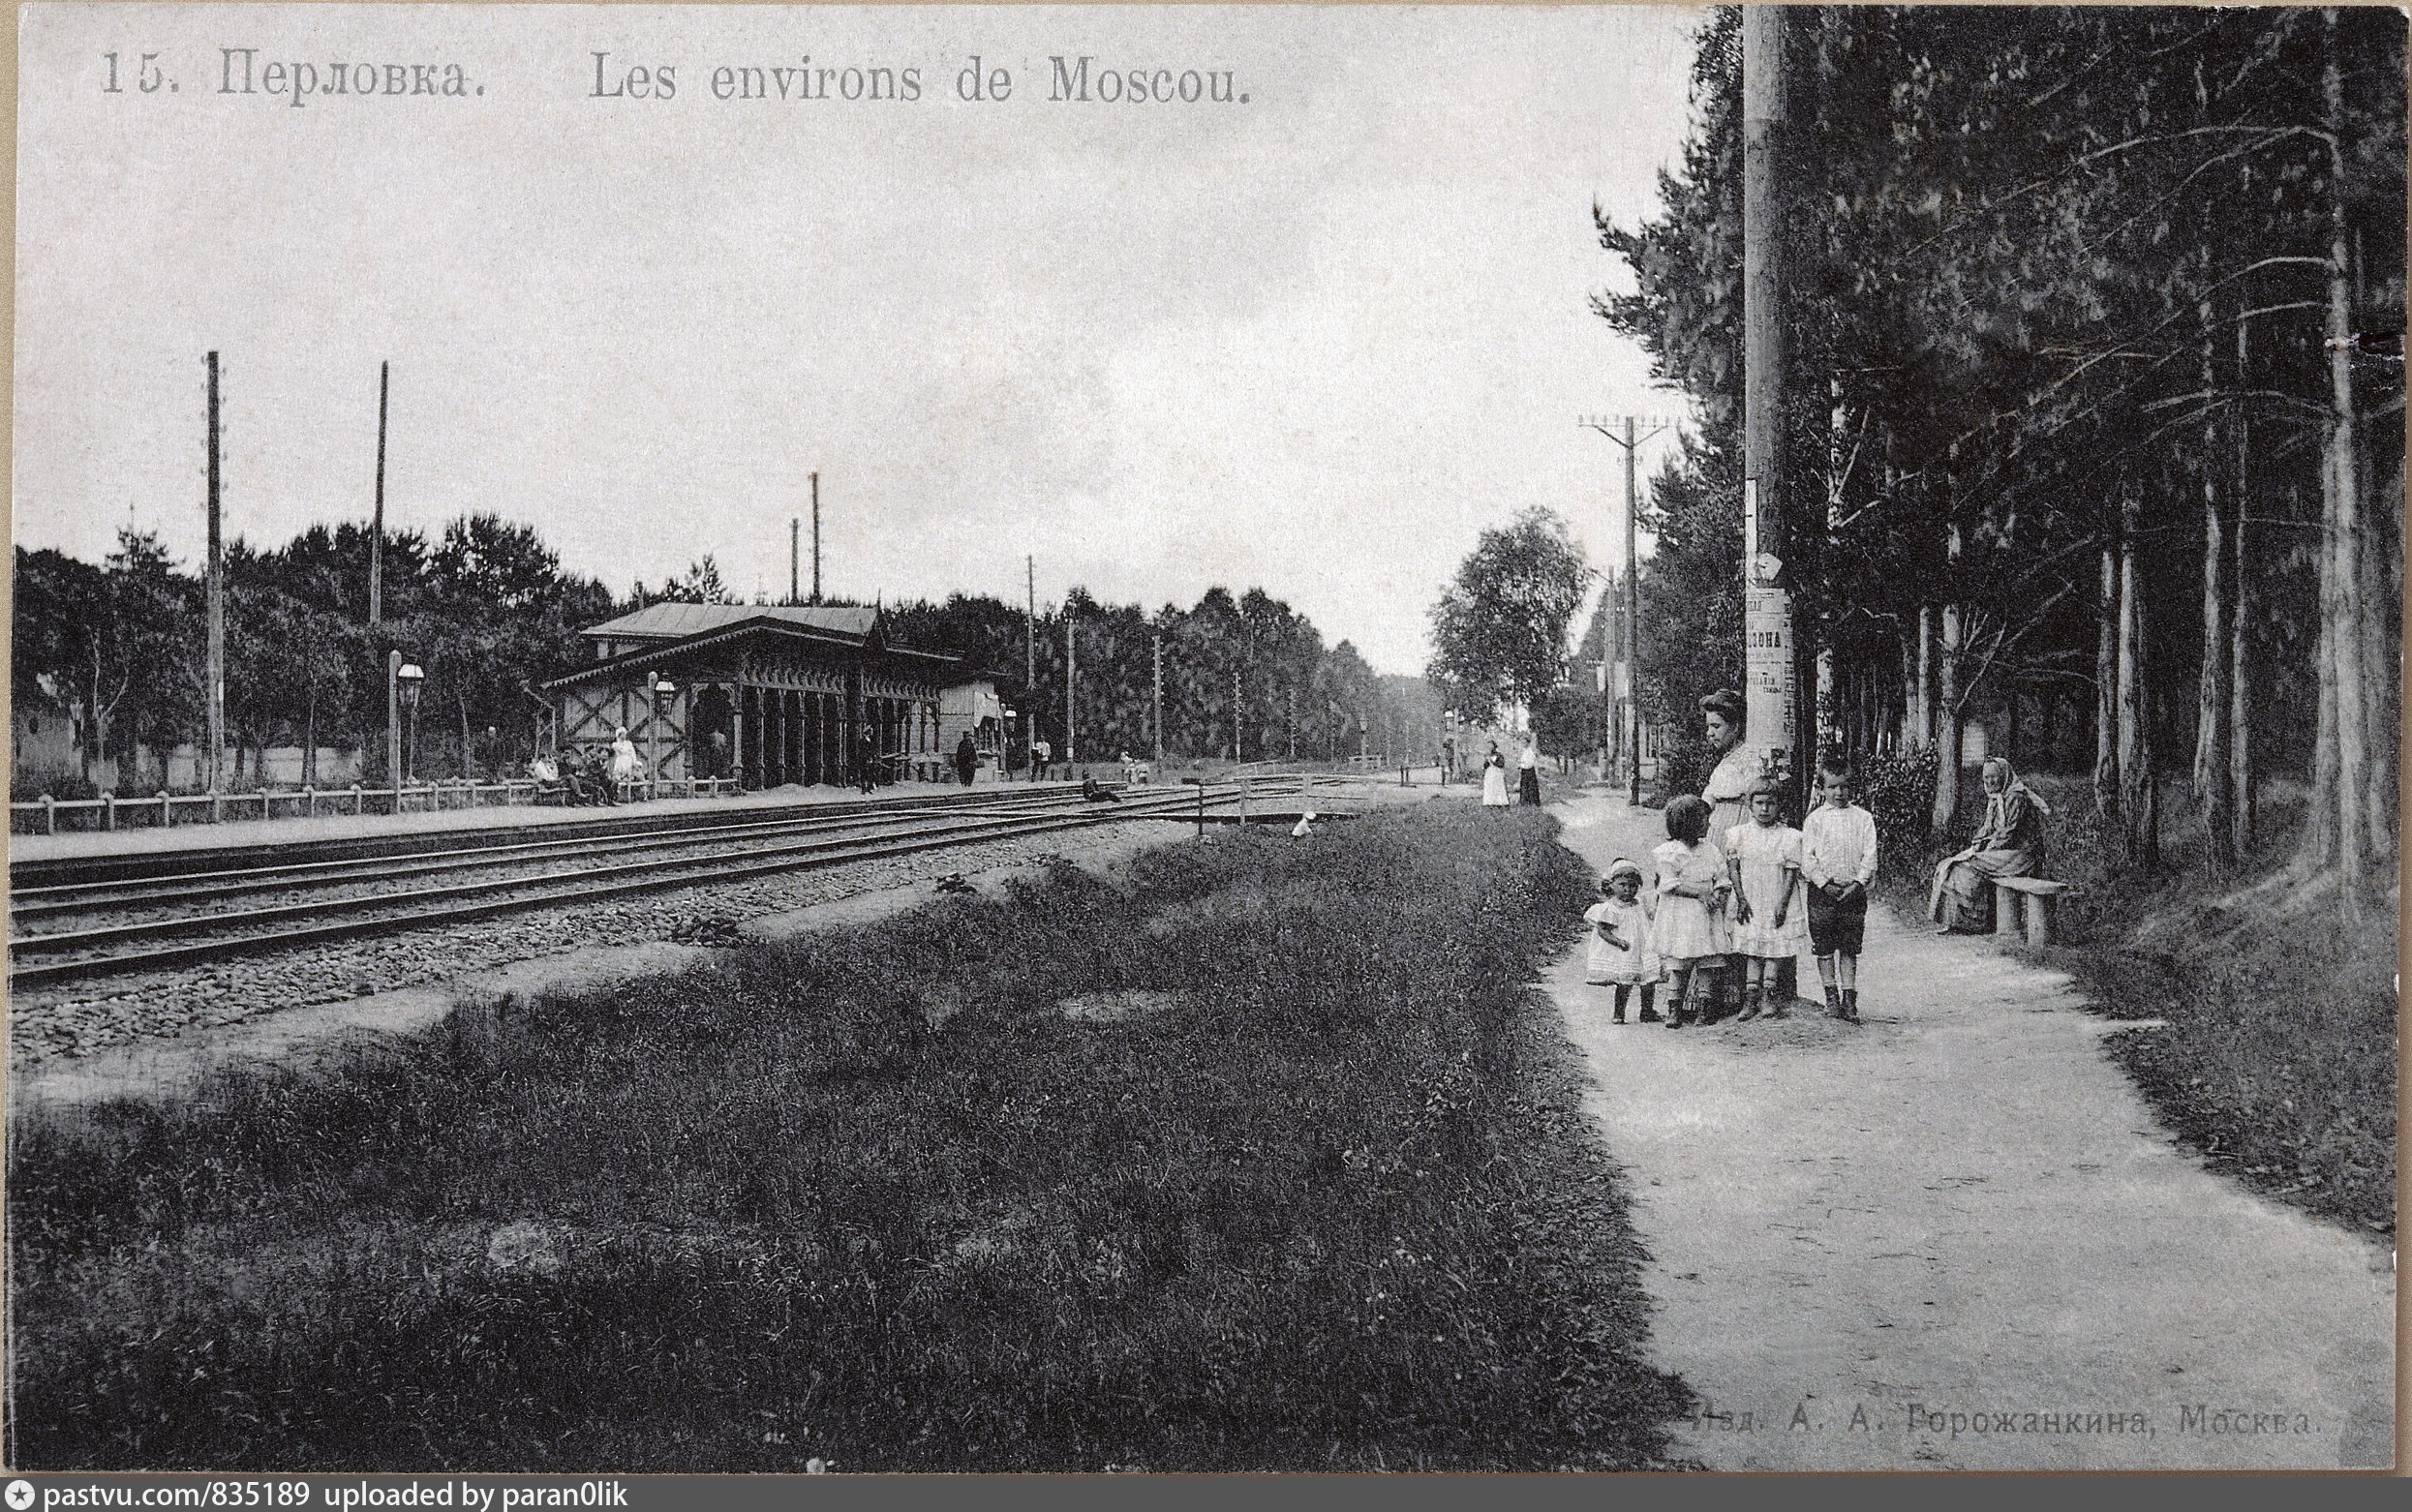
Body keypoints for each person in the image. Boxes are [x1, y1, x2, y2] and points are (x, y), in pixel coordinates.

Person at [1930, 756, 2050, 933]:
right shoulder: (1995, 799)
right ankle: (1958, 922)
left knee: (1964, 867)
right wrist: (1977, 845)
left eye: (1994, 776)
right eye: (1986, 778)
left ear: (2004, 775)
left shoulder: (2016, 797)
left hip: (2022, 854)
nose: (1990, 781)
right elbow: (1987, 830)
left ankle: (1975, 922)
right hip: (2004, 852)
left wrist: (1985, 850)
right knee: (1949, 864)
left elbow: (2008, 833)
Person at [1801, 749, 1878, 1022]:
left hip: (1852, 893)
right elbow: (1806, 859)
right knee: (1823, 946)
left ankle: (1849, 998)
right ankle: (1830, 997)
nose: (1839, 793)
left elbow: (1870, 856)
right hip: (1822, 894)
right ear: (1822, 789)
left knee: (1849, 946)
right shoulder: (1815, 820)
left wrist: (1858, 883)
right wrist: (1823, 884)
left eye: (1845, 786)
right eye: (1832, 787)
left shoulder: (1863, 819)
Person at [1725, 776, 1808, 1022]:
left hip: (1774, 897)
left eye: (1770, 803)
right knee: (1752, 949)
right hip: (1749, 899)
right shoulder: (1739, 834)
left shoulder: (1788, 836)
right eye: (1759, 803)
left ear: (1779, 805)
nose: (1764, 809)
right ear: (1749, 805)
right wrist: (1740, 898)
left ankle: (1769, 996)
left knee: (1773, 948)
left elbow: (1792, 871)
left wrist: (1782, 903)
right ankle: (1750, 998)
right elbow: (1733, 868)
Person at [1651, 795, 1730, 1029]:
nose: (1708, 824)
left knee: (1707, 961)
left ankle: (1704, 1009)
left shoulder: (1711, 850)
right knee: (1679, 963)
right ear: (1689, 823)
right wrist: (1699, 894)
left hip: (1706, 914)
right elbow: (1668, 884)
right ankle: (1674, 1009)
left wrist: (1719, 893)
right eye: (1704, 819)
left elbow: (1722, 877)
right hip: (1681, 914)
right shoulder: (1670, 852)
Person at [1584, 860, 1659, 1025]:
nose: (1627, 889)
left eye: (1632, 886)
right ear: (1611, 885)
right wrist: (1618, 941)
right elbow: (1602, 930)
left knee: (1648, 981)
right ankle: (1619, 1013)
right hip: (1626, 950)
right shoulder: (1611, 908)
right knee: (1624, 983)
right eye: (1622, 885)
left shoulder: (1640, 905)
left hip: (1643, 948)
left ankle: (1647, 1011)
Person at [608, 726, 643, 792]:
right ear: (619, 735)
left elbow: (632, 753)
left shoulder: (628, 743)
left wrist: (634, 761)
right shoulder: (616, 744)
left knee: (630, 776)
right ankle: (618, 791)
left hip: (628, 760)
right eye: (622, 734)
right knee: (619, 776)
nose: (624, 736)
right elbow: (620, 751)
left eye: (624, 734)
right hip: (620, 760)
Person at [1481, 741, 1511, 807]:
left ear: (1494, 747)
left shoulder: (1499, 755)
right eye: (1489, 746)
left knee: (1498, 787)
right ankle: (1490, 802)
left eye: (1491, 746)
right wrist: (1486, 761)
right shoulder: (1487, 755)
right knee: (1490, 786)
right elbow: (1485, 766)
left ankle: (1499, 802)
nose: (1490, 748)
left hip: (1497, 773)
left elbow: (1501, 764)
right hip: (1490, 773)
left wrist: (1492, 761)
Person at [1517, 736, 1542, 806]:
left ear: (1528, 743)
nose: (1523, 744)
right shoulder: (1523, 751)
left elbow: (1530, 763)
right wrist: (1520, 764)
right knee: (1524, 786)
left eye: (1525, 743)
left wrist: (1522, 764)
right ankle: (1525, 802)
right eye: (1522, 743)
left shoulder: (1530, 751)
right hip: (1524, 771)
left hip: (1529, 770)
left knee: (1531, 786)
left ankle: (1533, 802)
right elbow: (1521, 761)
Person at [856, 725, 879, 795]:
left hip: (871, 759)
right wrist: (866, 758)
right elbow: (861, 751)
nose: (872, 732)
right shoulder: (861, 741)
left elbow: (874, 749)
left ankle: (869, 788)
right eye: (871, 731)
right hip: (864, 760)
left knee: (871, 774)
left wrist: (873, 756)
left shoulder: (871, 740)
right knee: (863, 774)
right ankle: (863, 789)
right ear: (868, 732)